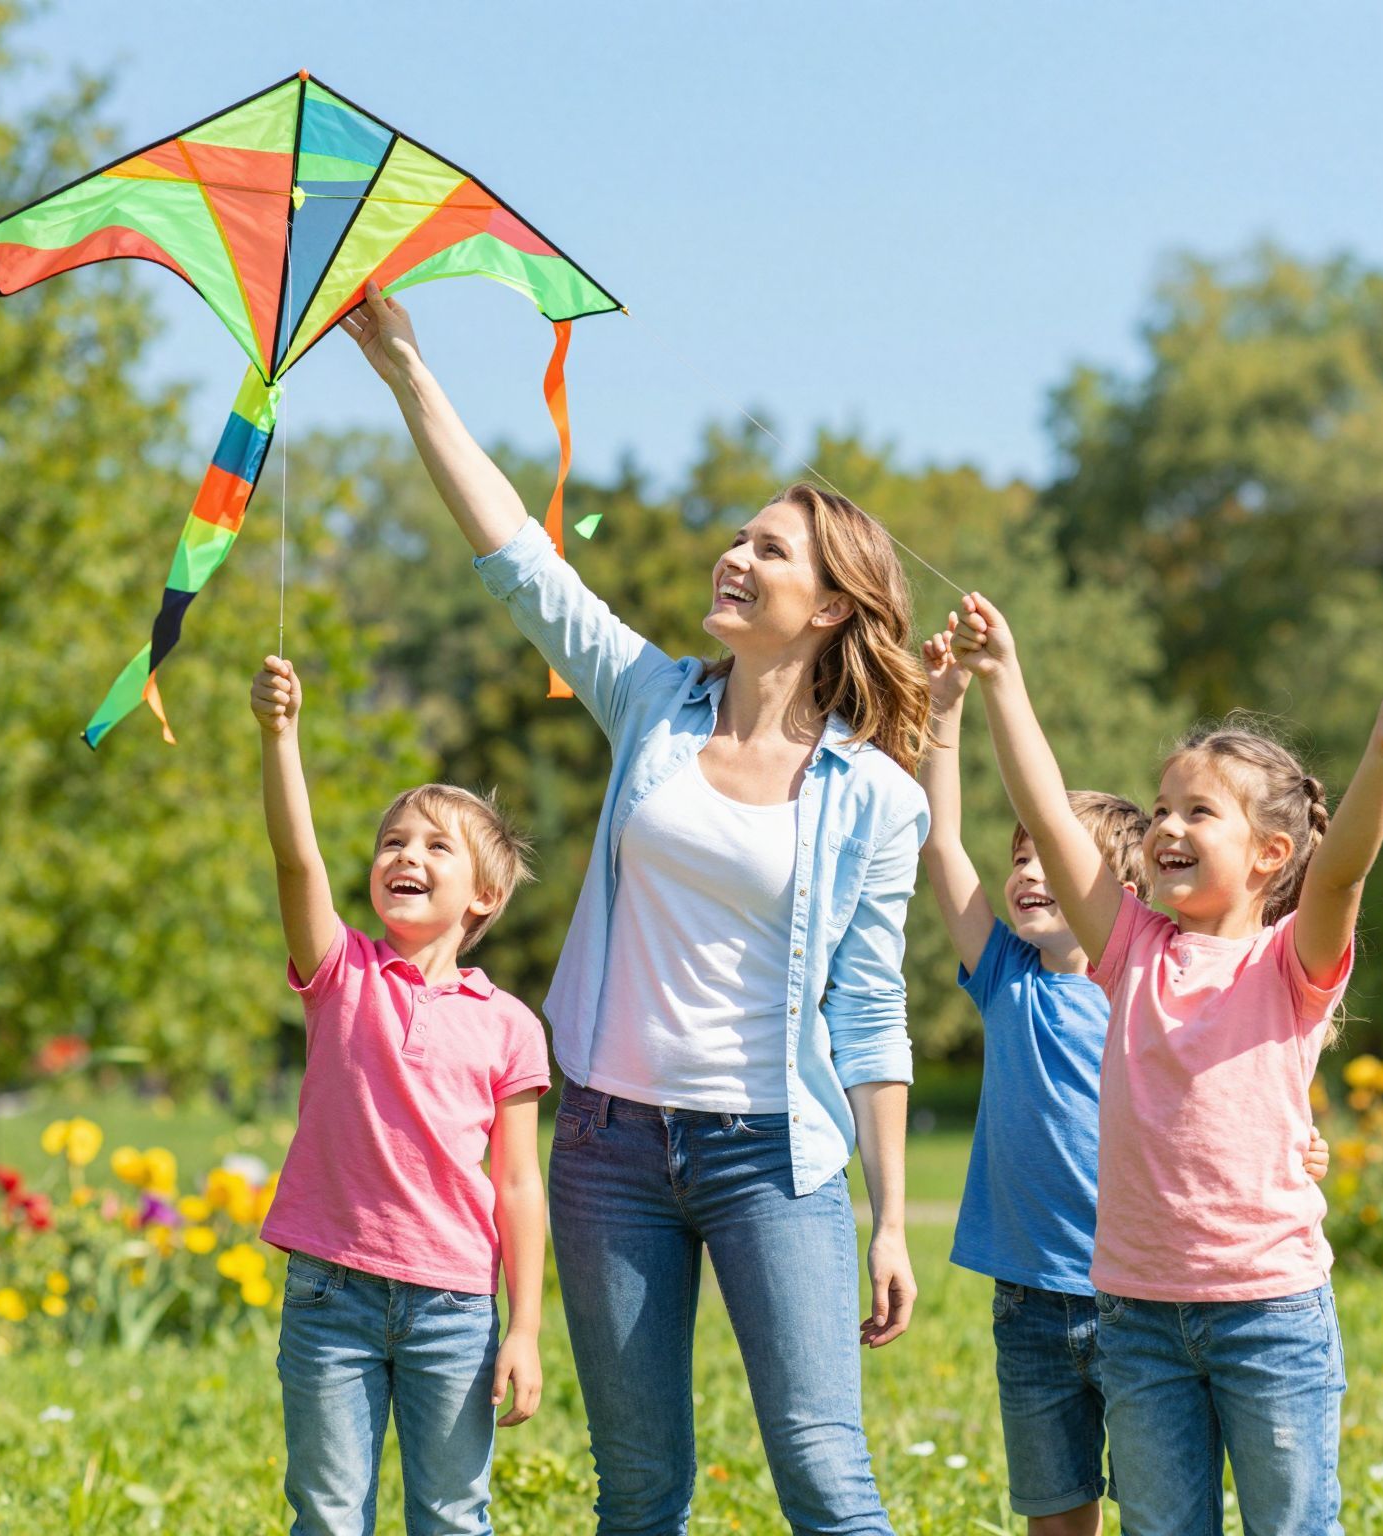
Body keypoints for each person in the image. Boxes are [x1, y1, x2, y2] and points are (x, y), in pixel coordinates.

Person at [343, 281, 929, 1535]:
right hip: (608, 1145)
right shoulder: (651, 703)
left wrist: (887, 1219)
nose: (735, 556)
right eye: (739, 537)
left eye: (769, 549)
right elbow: (519, 562)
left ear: (827, 607)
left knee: (827, 1480)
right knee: (639, 1491)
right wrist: (408, 374)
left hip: (771, 1154)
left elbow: (871, 1010)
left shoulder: (875, 797)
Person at [949, 593, 1383, 1536]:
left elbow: (1341, 872)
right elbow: (1049, 816)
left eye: (1197, 812)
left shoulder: (1290, 964)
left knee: (1290, 1526)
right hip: (1135, 1318)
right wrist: (1003, 676)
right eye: (1162, 808)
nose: (1165, 826)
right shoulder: (1128, 948)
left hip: (1268, 1313)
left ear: (1269, 853)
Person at [918, 633, 1331, 1536]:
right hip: (1053, 1296)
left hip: (1150, 1292)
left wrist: (1298, 1140)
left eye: (1050, 858)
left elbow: (1239, 1085)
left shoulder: (1147, 978)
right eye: (1020, 857)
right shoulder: (1010, 978)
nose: (1031, 871)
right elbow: (944, 841)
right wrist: (954, 706)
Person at [252, 654, 550, 1536]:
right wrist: (281, 737)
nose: (404, 855)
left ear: (484, 895)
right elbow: (295, 857)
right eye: (392, 842)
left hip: (455, 1309)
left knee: (454, 1515)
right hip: (329, 1297)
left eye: (433, 845)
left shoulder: (508, 1025)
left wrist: (525, 1327)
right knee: (328, 1514)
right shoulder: (342, 972)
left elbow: (520, 1186)